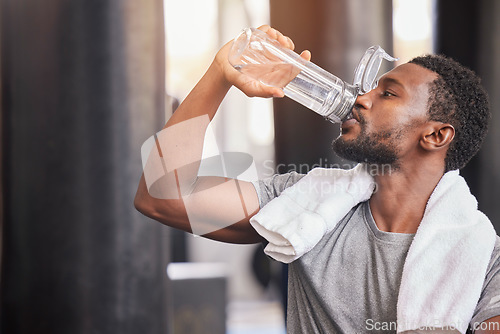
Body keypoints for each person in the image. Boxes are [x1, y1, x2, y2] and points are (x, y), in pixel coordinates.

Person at [134, 26, 500, 333]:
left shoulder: (485, 258)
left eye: (387, 93)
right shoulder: (306, 204)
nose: (361, 98)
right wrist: (220, 73)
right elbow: (160, 196)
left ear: (436, 136)